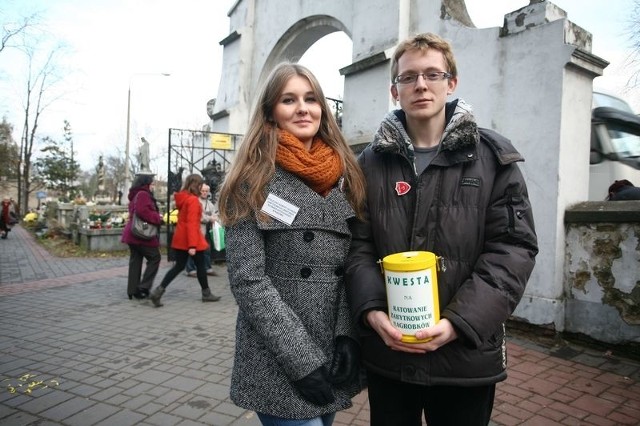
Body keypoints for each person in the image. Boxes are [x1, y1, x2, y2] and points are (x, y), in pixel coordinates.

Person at [345, 33, 539, 426]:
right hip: (390, 353)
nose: (420, 85)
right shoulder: (369, 164)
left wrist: (458, 323)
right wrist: (370, 312)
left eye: (432, 74)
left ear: (451, 84)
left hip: (464, 358)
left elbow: (513, 249)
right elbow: (357, 245)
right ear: (394, 90)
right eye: (408, 77)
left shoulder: (493, 160)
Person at [218, 62, 367, 426]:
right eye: (289, 99)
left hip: (330, 348)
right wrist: (301, 361)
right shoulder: (250, 181)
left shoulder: (345, 179)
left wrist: (347, 335)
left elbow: (352, 265)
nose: (303, 108)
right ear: (271, 112)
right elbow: (248, 281)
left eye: (311, 98)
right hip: (276, 353)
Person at [149, 173, 221, 307]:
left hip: (181, 238)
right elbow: (193, 224)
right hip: (192, 240)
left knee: (180, 266)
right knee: (199, 266)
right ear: (197, 186)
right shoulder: (193, 201)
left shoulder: (184, 198)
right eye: (200, 185)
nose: (201, 188)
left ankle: (158, 291)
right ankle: (206, 294)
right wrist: (192, 245)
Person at [120, 173, 163, 300]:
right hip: (141, 233)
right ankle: (144, 287)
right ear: (146, 184)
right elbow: (143, 212)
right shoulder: (143, 194)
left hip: (132, 232)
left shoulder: (135, 194)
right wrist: (158, 218)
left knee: (136, 260)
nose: (153, 186)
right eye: (152, 183)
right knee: (155, 257)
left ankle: (132, 290)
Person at [185, 183, 217, 277]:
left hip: (206, 230)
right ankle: (190, 269)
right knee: (194, 249)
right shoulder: (196, 201)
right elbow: (199, 216)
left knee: (207, 249)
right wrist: (210, 218)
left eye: (206, 191)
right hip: (197, 229)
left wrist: (214, 217)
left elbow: (214, 213)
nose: (204, 193)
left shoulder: (209, 203)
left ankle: (207, 268)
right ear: (199, 191)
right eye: (203, 191)